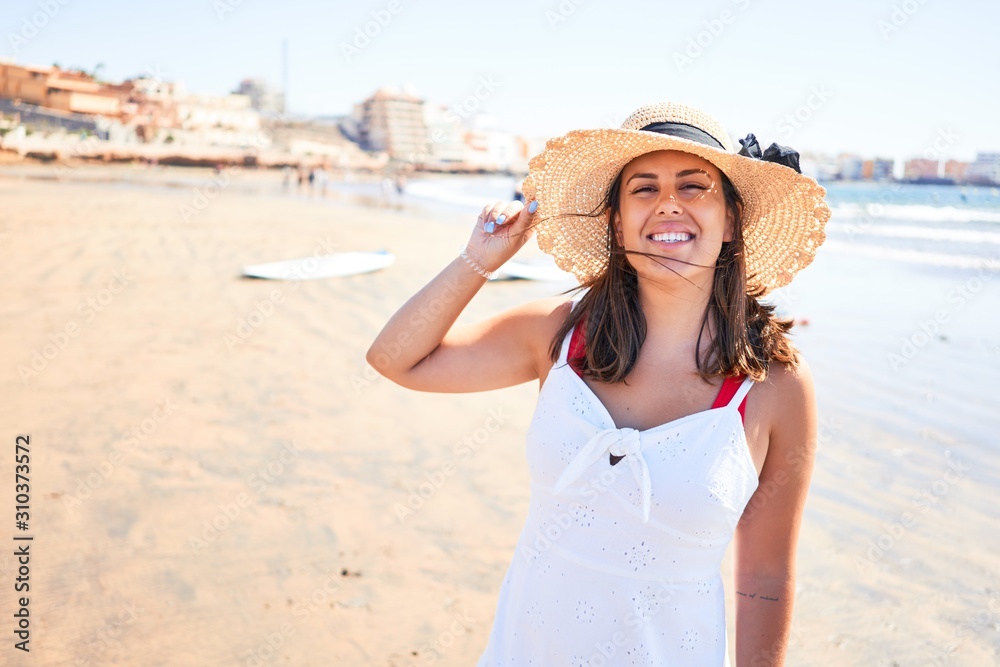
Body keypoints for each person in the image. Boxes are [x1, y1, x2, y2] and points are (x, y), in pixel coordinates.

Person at [367, 102, 831, 666]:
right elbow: (396, 358)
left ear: (731, 221)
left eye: (693, 186)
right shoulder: (557, 336)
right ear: (615, 220)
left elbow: (765, 576)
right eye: (643, 188)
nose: (668, 203)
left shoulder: (773, 384)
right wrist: (477, 260)